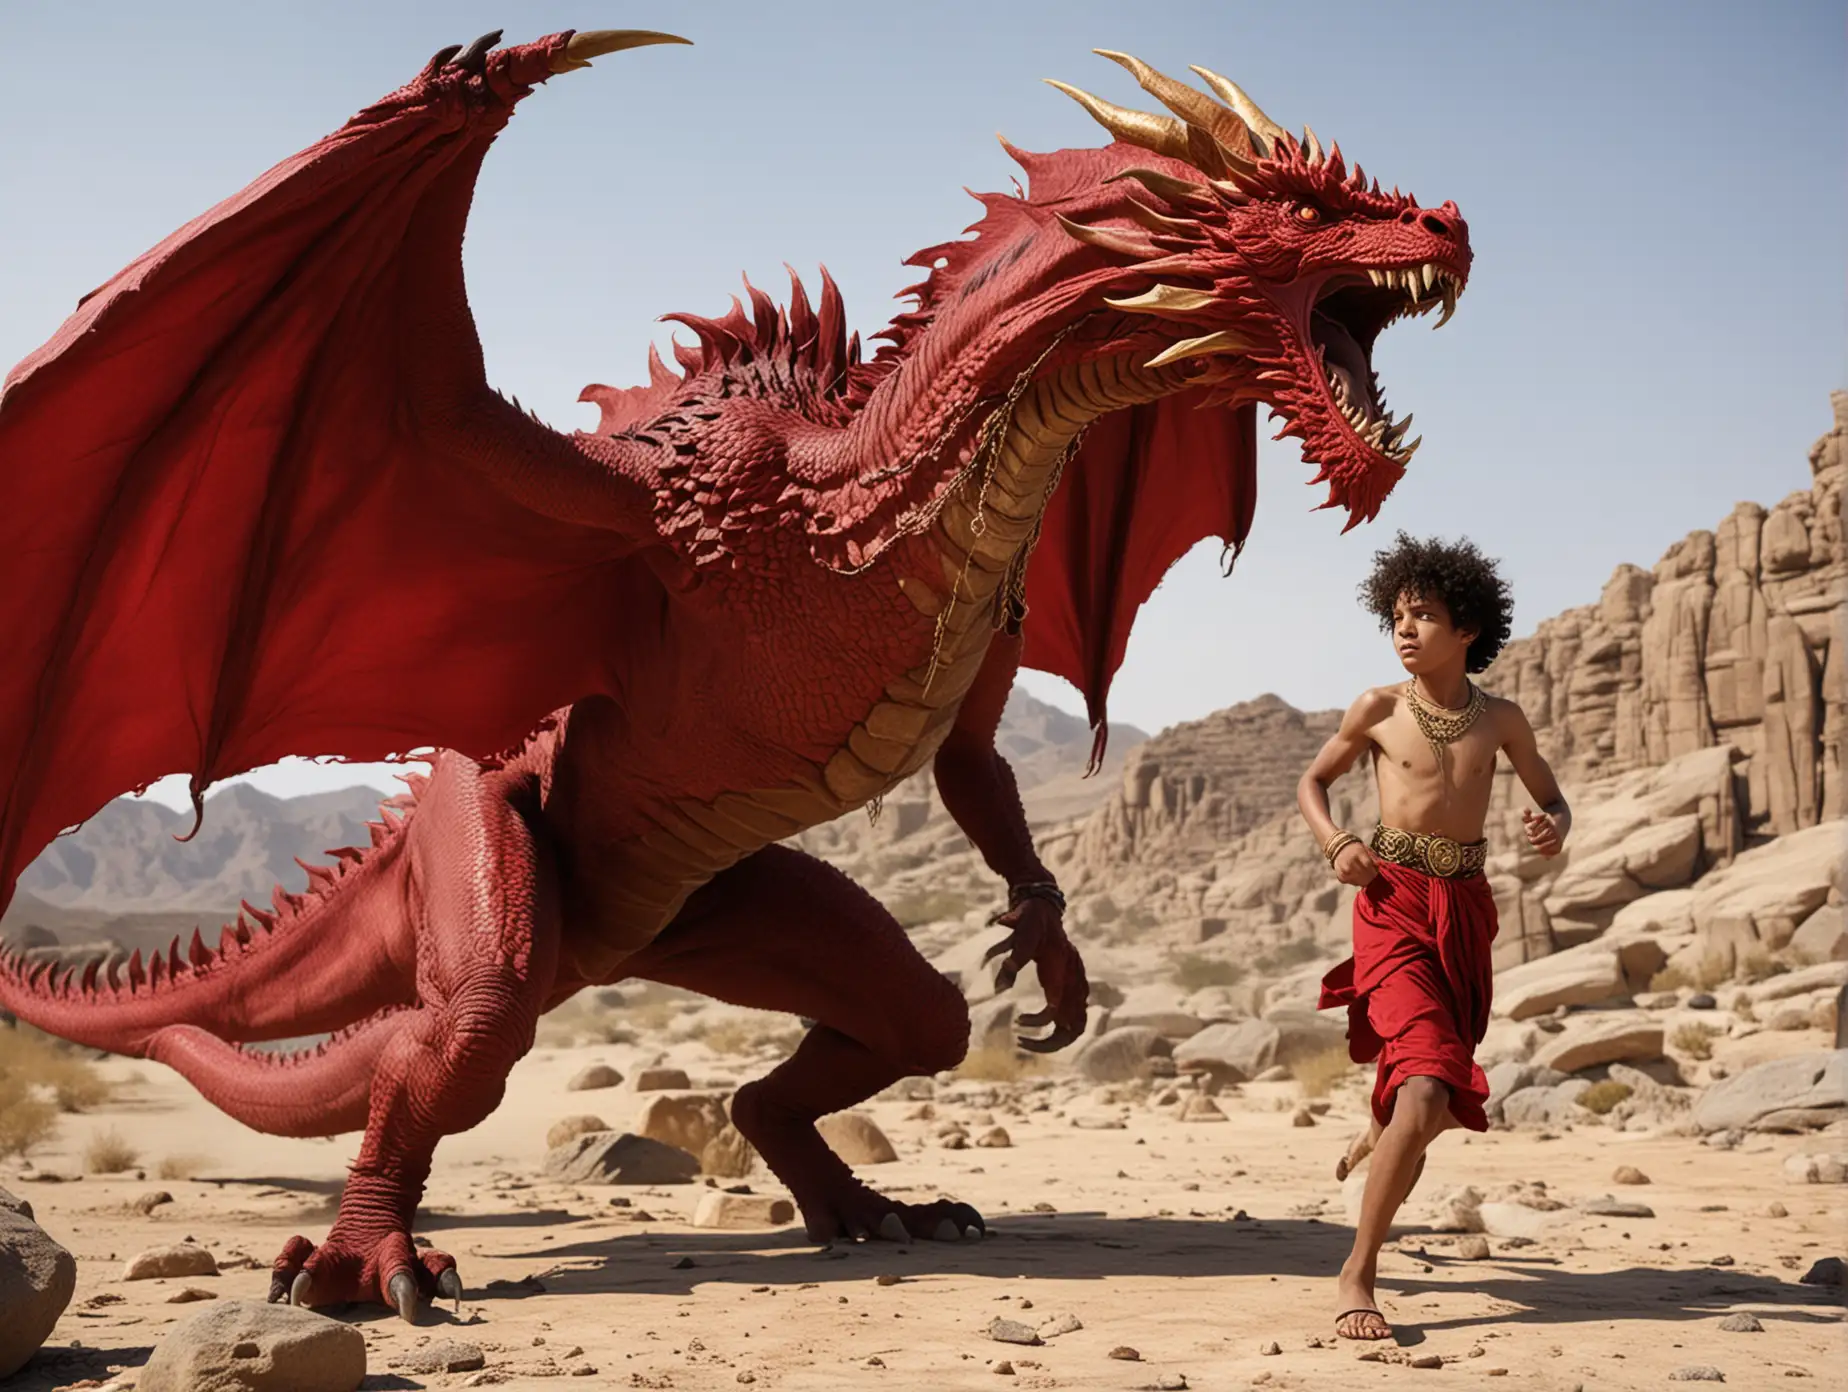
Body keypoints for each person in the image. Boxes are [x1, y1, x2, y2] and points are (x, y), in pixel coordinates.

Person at [1296, 532, 1571, 1341]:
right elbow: (1313, 782)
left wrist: (1551, 826)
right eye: (1397, 615)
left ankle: (1384, 1123)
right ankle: (1359, 1273)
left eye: (1424, 615)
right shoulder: (1377, 709)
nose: (1405, 629)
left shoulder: (1503, 721)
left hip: (1465, 909)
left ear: (1470, 631)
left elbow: (1553, 799)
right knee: (1424, 1089)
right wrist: (1337, 842)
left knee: (1432, 1094)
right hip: (1390, 900)